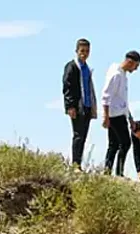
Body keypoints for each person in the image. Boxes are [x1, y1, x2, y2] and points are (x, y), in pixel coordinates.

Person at [102, 50, 140, 178]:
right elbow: (106, 95)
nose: (135, 69)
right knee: (125, 143)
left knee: (114, 144)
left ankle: (107, 171)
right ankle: (118, 172)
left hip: (121, 113)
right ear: (130, 62)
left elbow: (122, 99)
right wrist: (106, 116)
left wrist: (129, 117)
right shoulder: (116, 74)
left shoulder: (123, 74)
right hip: (114, 115)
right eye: (135, 66)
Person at [62, 38, 97, 170]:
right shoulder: (72, 66)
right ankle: (75, 164)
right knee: (77, 135)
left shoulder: (87, 68)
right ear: (76, 51)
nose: (84, 53)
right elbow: (67, 86)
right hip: (77, 106)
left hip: (87, 106)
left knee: (83, 136)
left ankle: (79, 164)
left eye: (87, 51)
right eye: (82, 51)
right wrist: (70, 106)